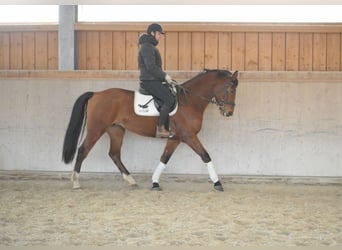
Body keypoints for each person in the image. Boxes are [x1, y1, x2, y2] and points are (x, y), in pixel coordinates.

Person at [138, 23, 177, 138]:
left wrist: (165, 79)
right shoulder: (147, 46)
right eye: (159, 34)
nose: (160, 36)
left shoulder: (149, 46)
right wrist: (165, 76)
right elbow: (151, 67)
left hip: (154, 80)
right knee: (169, 99)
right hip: (149, 81)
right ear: (152, 33)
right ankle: (160, 128)